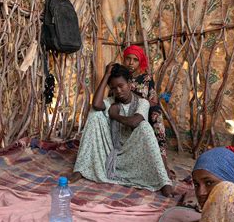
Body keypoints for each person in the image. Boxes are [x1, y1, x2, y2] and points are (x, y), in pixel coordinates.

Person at [69, 63, 173, 197]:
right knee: (95, 114)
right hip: (110, 151)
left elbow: (135, 122)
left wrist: (115, 116)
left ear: (130, 84)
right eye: (113, 88)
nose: (118, 91)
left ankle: (164, 182)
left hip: (132, 155)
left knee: (145, 127)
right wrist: (106, 75)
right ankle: (80, 168)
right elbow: (96, 104)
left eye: (121, 86)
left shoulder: (142, 103)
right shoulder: (110, 102)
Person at [122, 45, 175, 180]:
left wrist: (138, 99)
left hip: (143, 110)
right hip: (125, 110)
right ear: (124, 59)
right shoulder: (120, 75)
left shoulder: (146, 78)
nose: (131, 63)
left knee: (156, 113)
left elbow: (153, 101)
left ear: (140, 62)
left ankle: (163, 161)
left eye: (135, 60)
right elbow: (114, 95)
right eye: (128, 59)